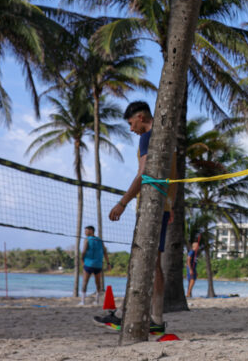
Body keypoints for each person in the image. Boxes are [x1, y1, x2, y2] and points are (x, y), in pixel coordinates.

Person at [96, 101, 178, 334]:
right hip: (162, 205)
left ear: (141, 117)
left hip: (151, 207)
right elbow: (175, 174)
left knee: (144, 261)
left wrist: (122, 203)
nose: (131, 129)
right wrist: (170, 204)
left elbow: (143, 174)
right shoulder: (166, 140)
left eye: (132, 123)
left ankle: (137, 317)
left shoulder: (148, 137)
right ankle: (155, 318)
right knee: (152, 262)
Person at [80, 225, 110, 305]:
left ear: (91, 231)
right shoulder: (100, 240)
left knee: (85, 282)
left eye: (86, 230)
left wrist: (81, 260)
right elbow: (105, 252)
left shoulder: (87, 239)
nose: (85, 232)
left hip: (89, 264)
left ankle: (82, 301)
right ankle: (96, 301)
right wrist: (108, 263)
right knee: (98, 283)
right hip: (98, 265)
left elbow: (83, 251)